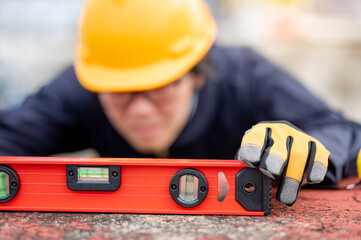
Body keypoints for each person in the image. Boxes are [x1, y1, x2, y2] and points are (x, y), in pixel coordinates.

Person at [0, 0, 360, 206]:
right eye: (120, 92)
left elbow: (346, 132)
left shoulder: (249, 79)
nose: (139, 109)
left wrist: (312, 148)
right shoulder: (84, 88)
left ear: (198, 72)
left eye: (160, 87)